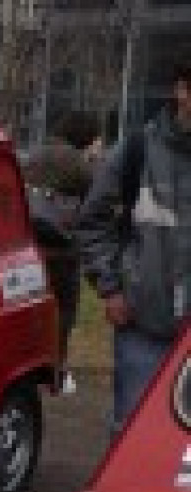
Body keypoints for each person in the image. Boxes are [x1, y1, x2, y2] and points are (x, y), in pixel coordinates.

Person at [77, 59, 191, 434]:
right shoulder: (136, 151)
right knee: (135, 437)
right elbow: (92, 222)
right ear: (181, 91)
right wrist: (110, 289)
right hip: (143, 327)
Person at [24, 110, 101, 394]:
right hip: (62, 249)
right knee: (64, 312)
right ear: (85, 137)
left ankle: (29, 368)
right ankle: (56, 372)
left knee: (33, 310)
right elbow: (97, 202)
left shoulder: (35, 155)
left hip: (30, 246)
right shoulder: (77, 164)